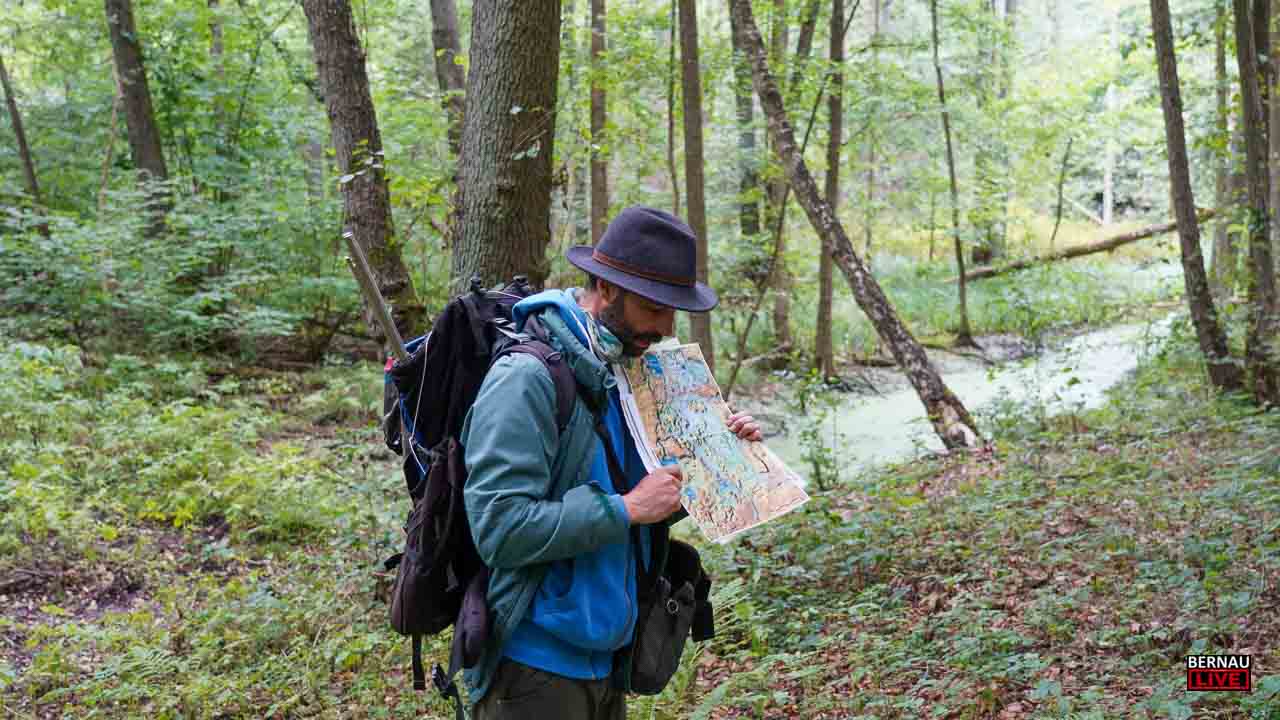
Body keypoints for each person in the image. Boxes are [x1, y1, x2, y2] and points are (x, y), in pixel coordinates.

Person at [460, 206, 762, 719]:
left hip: (607, 664)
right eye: (653, 307)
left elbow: (649, 503)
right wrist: (625, 509)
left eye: (674, 310)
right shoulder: (526, 380)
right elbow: (498, 528)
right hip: (533, 669)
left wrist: (719, 456)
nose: (666, 327)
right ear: (605, 288)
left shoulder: (627, 371)